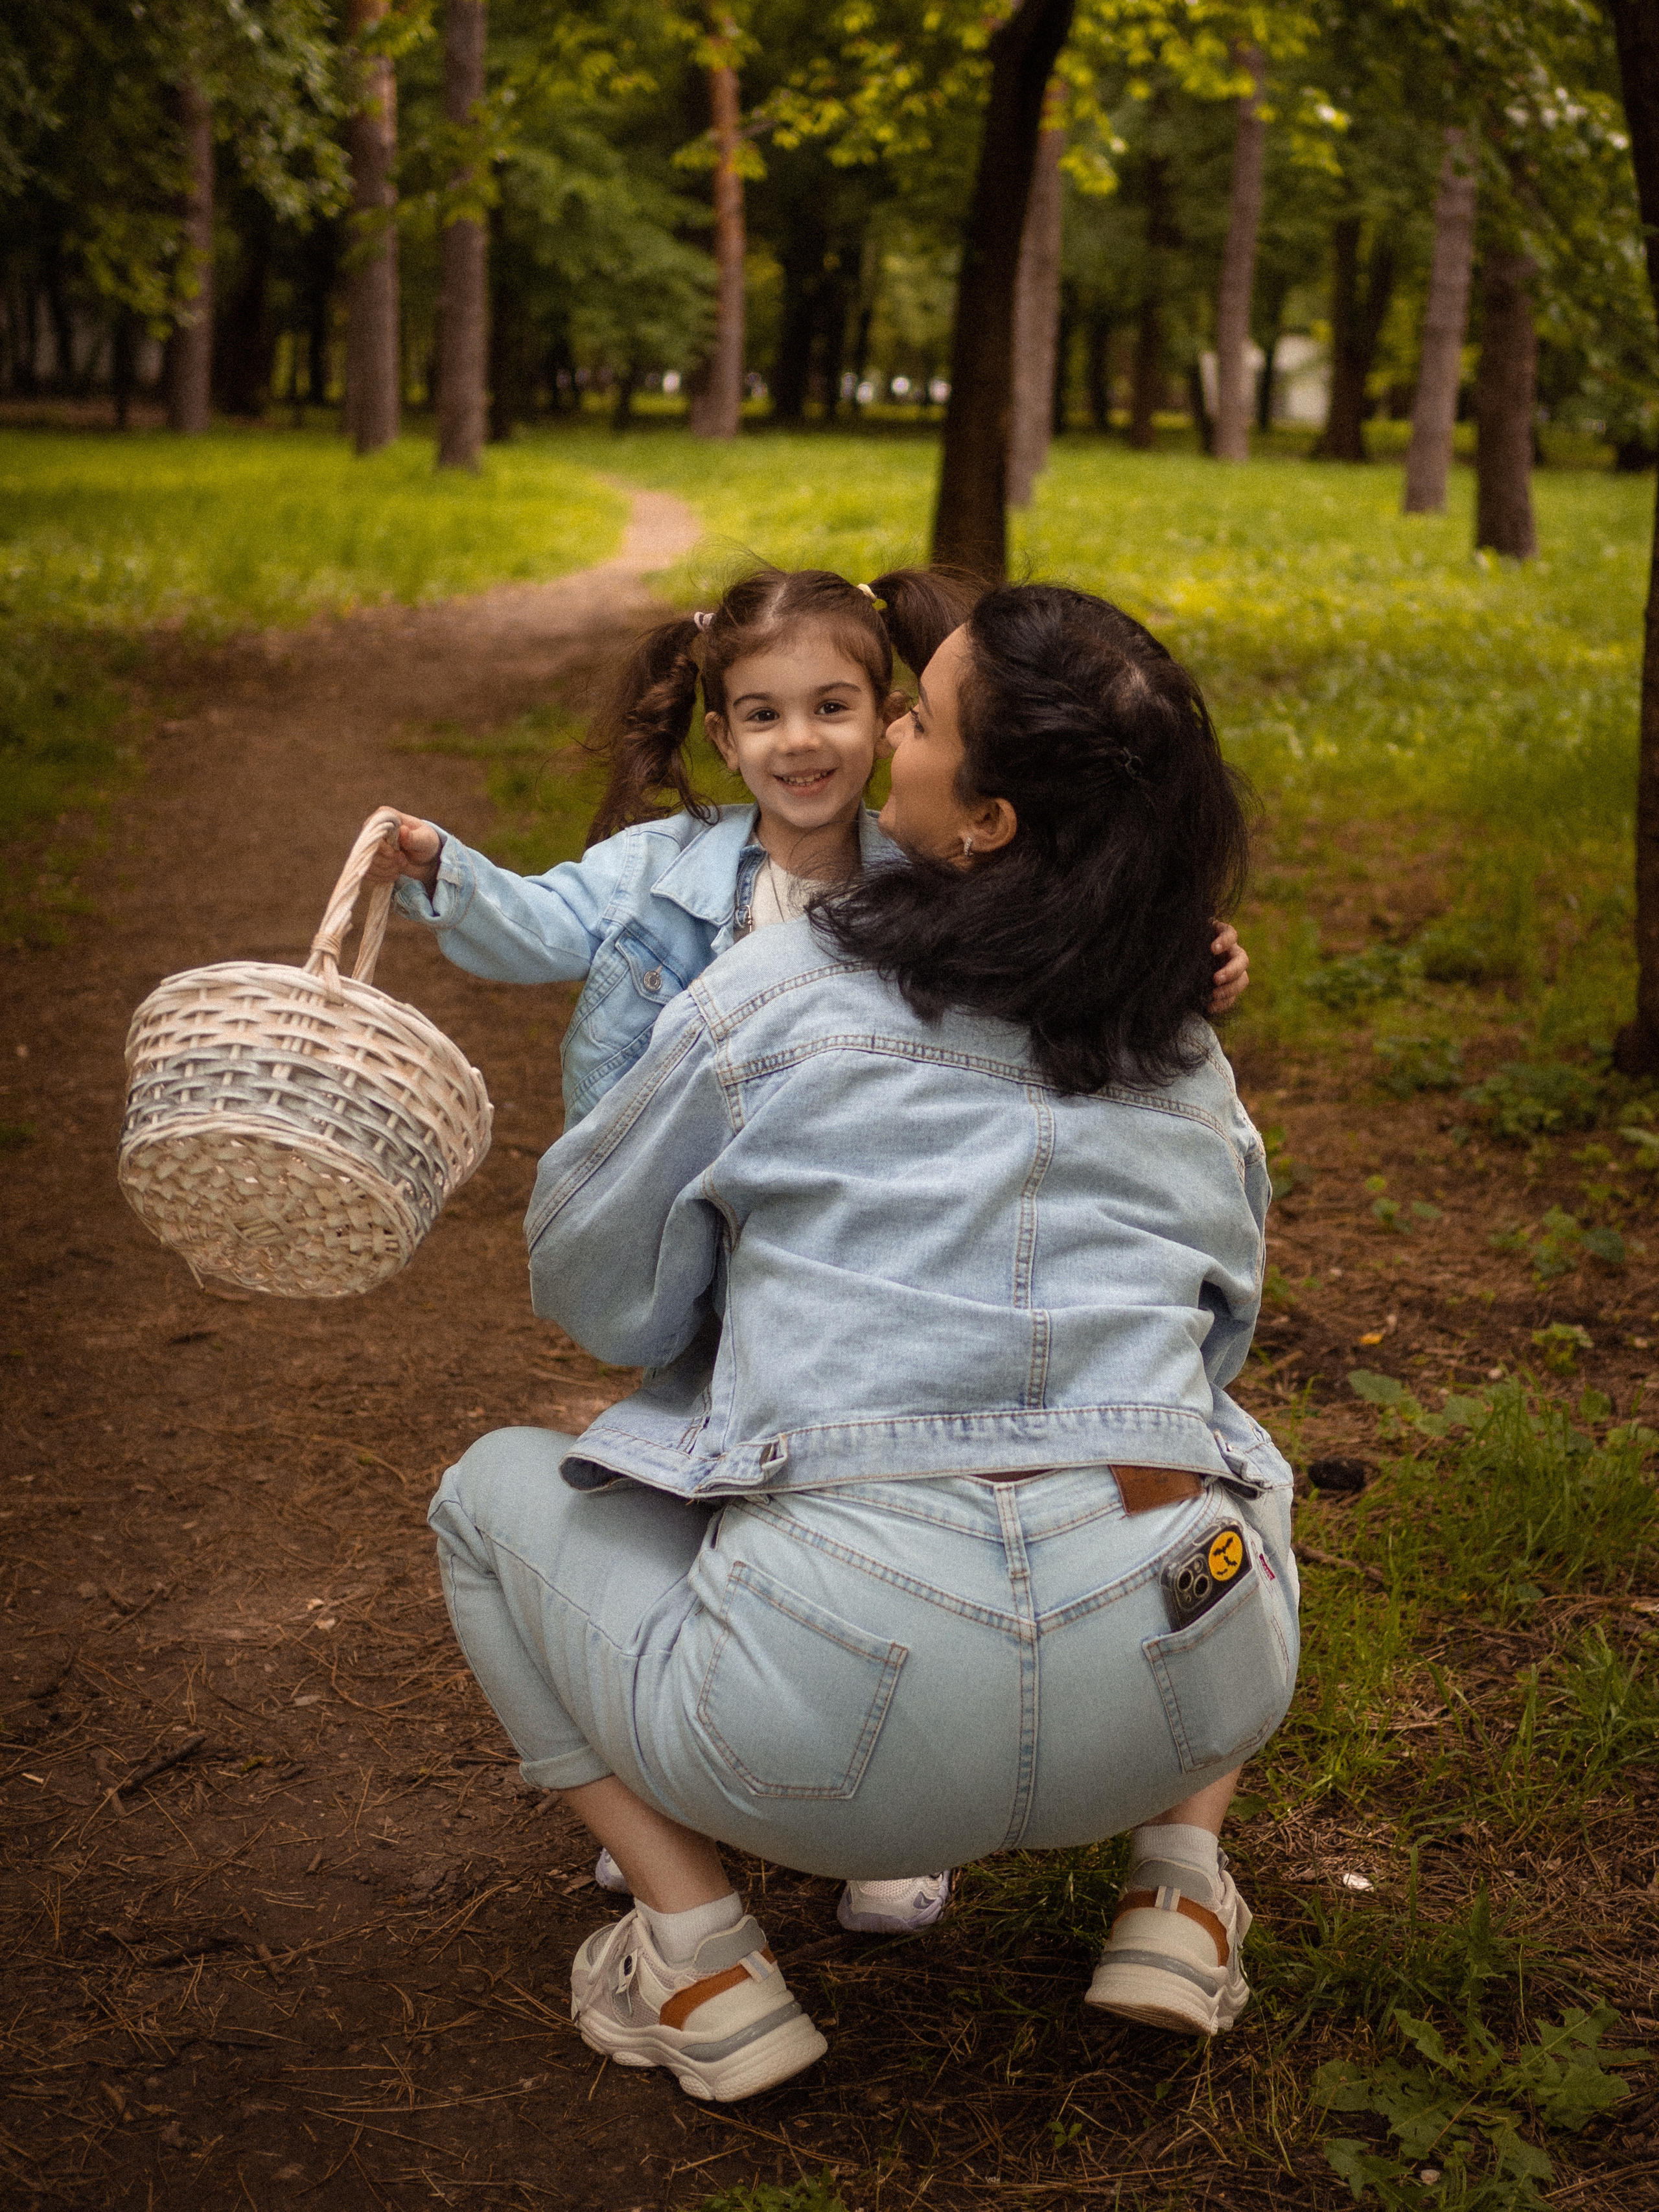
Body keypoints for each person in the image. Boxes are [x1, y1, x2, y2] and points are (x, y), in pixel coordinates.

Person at [426, 582, 1301, 2105]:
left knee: (484, 1497)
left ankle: (698, 1956)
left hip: (822, 1747)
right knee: (1227, 1448)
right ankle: (1173, 1888)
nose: (885, 728)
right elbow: (1216, 1340)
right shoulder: (1177, 1042)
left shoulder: (771, 992)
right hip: (1177, 1698)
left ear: (986, 818)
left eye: (918, 715)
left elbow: (601, 1303)